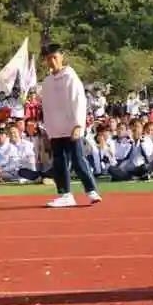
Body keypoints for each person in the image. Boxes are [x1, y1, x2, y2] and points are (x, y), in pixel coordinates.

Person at [39, 43, 103, 207]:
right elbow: (47, 107)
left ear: (62, 57)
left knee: (78, 160)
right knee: (59, 163)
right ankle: (65, 194)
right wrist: (48, 129)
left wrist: (78, 125)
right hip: (55, 129)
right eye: (48, 58)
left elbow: (78, 101)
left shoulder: (70, 77)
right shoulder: (47, 82)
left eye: (55, 57)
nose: (52, 61)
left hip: (71, 127)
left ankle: (91, 191)